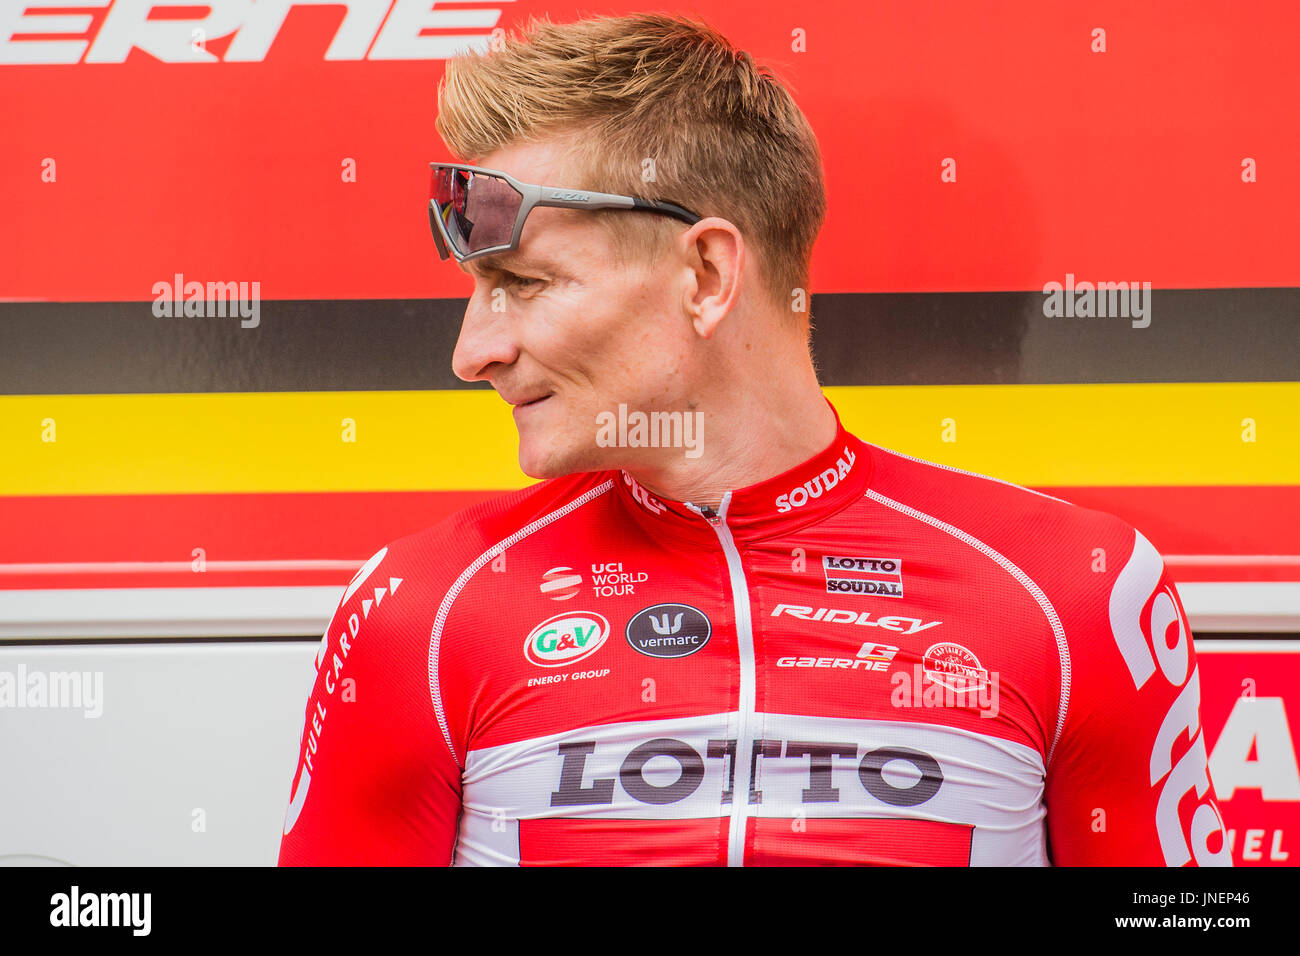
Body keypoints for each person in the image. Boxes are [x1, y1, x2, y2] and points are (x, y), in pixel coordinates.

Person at [277, 12, 1228, 866]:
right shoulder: (422, 612)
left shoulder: (1075, 593)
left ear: (705, 274)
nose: (472, 352)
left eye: (524, 283)